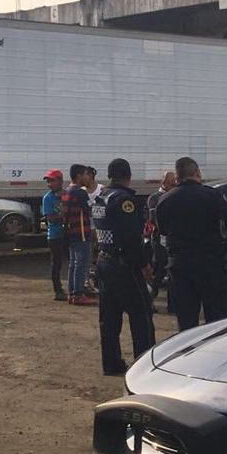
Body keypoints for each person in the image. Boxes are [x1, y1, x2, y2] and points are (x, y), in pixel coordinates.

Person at [156, 157, 227, 331]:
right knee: (218, 321)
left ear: (177, 176)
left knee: (186, 321)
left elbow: (163, 230)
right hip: (209, 263)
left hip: (180, 265)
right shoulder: (210, 195)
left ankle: (189, 354)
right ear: (196, 173)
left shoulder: (165, 199)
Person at [92, 158, 156, 376]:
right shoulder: (124, 200)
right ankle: (145, 367)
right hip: (124, 266)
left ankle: (111, 364)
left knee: (109, 319)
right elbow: (131, 239)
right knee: (142, 315)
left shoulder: (101, 197)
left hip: (104, 261)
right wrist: (144, 265)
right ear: (128, 175)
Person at [61, 164, 96, 306]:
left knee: (73, 264)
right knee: (81, 264)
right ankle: (78, 294)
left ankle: (72, 293)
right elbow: (89, 209)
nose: (87, 177)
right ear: (79, 176)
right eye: (85, 174)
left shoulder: (67, 191)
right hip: (81, 232)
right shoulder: (80, 192)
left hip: (70, 232)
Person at [144, 170, 176, 299]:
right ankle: (149, 296)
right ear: (164, 183)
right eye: (172, 184)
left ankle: (172, 303)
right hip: (159, 238)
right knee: (159, 270)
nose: (174, 187)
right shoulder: (155, 197)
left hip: (171, 238)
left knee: (171, 271)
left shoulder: (175, 196)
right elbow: (153, 218)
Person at [41, 169, 67, 301]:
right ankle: (57, 290)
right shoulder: (48, 198)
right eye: (48, 181)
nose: (49, 184)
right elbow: (50, 217)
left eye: (52, 181)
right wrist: (63, 214)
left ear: (60, 181)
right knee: (56, 263)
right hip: (55, 235)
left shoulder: (66, 195)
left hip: (67, 233)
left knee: (73, 261)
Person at [84, 166, 103, 296]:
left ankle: (100, 281)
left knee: (101, 256)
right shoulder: (81, 191)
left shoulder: (102, 190)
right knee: (87, 257)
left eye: (84, 174)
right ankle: (88, 283)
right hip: (86, 229)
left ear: (91, 175)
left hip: (99, 228)